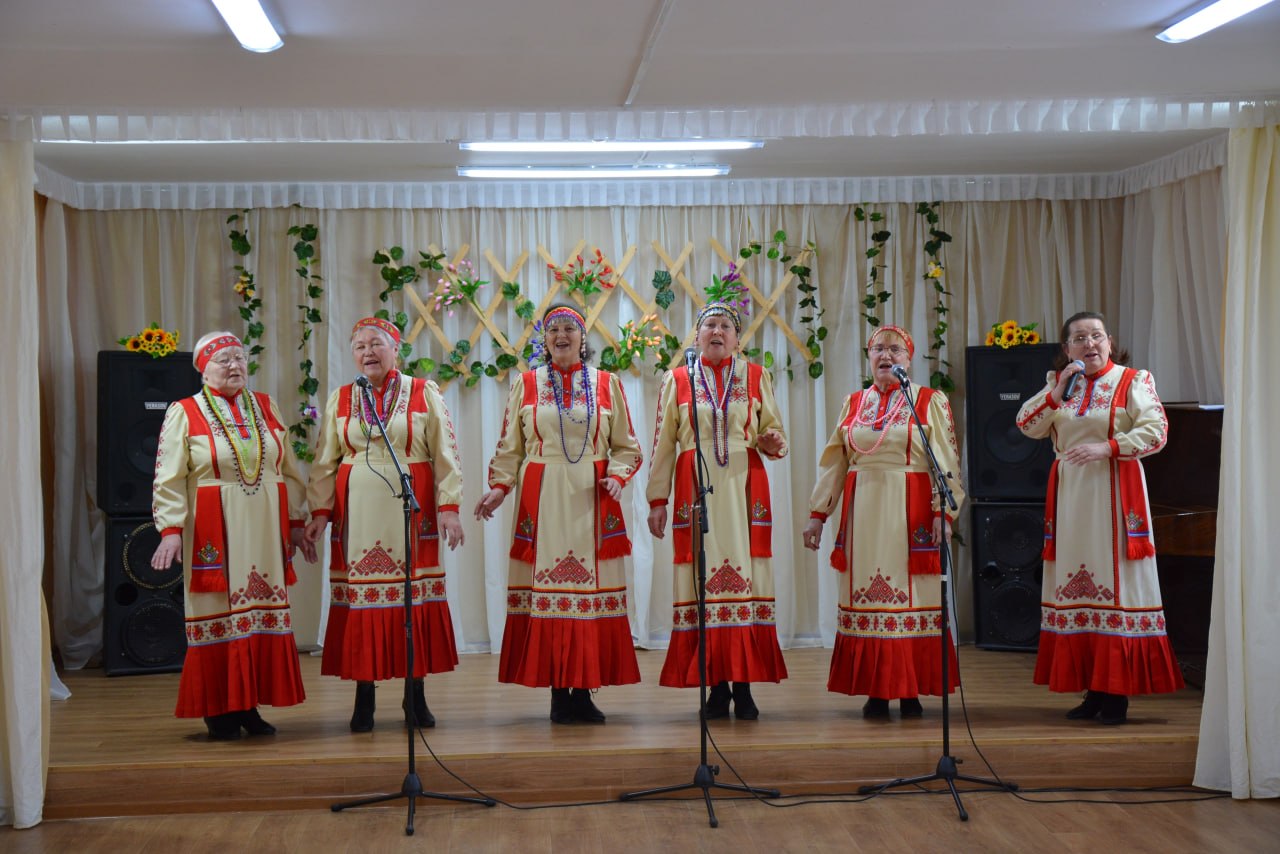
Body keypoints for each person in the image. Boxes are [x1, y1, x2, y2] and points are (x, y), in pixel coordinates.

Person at [474, 304, 644, 724]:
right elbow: (510, 447)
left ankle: (583, 692)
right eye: (553, 329)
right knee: (548, 596)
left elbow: (627, 446)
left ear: (582, 337)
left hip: (592, 497)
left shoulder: (608, 384)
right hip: (543, 498)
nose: (561, 335)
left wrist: (619, 478)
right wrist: (499, 488)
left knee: (587, 596)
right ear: (544, 339)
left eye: (569, 327)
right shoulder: (526, 384)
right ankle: (556, 693)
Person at [1015, 311, 1182, 724]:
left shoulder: (1133, 380)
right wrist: (1055, 394)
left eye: (1096, 336)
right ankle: (1093, 691)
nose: (1089, 344)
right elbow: (1025, 425)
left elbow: (1156, 430)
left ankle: (1117, 695)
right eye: (1079, 339)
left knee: (1117, 586)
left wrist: (1108, 447)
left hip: (1114, 492)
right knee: (1078, 587)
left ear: (1110, 341)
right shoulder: (1059, 386)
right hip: (1071, 498)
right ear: (1067, 349)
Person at [151, 331, 315, 740]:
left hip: (264, 525)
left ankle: (249, 705)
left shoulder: (265, 406)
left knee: (258, 611)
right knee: (218, 613)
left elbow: (289, 469)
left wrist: (296, 522)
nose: (234, 365)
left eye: (240, 357)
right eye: (223, 359)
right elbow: (168, 477)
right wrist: (170, 529)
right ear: (203, 368)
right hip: (214, 526)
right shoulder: (184, 411)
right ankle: (219, 710)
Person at [305, 317, 466, 732]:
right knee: (364, 601)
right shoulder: (342, 397)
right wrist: (320, 513)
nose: (367, 352)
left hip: (410, 514)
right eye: (359, 346)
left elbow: (445, 453)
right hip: (356, 514)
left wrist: (449, 507)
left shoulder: (422, 391)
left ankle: (416, 696)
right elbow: (325, 461)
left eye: (376, 344)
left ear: (396, 349)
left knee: (410, 602)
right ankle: (364, 698)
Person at [801, 326, 964, 719]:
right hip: (863, 513)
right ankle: (875, 690)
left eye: (895, 349)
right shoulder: (854, 403)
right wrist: (818, 513)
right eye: (878, 348)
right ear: (868, 356)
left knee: (913, 598)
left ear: (909, 358)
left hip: (912, 514)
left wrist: (945, 512)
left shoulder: (928, 400)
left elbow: (946, 462)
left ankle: (910, 692)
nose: (886, 355)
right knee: (868, 598)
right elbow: (835, 463)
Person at [646, 302, 789, 719]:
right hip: (696, 488)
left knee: (745, 581)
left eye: (726, 325)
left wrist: (773, 442)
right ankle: (717, 687)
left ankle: (743, 686)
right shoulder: (677, 379)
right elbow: (664, 444)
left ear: (737, 339)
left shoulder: (756, 377)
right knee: (702, 581)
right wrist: (657, 500)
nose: (717, 330)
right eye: (709, 324)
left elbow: (772, 429)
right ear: (696, 336)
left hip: (743, 489)